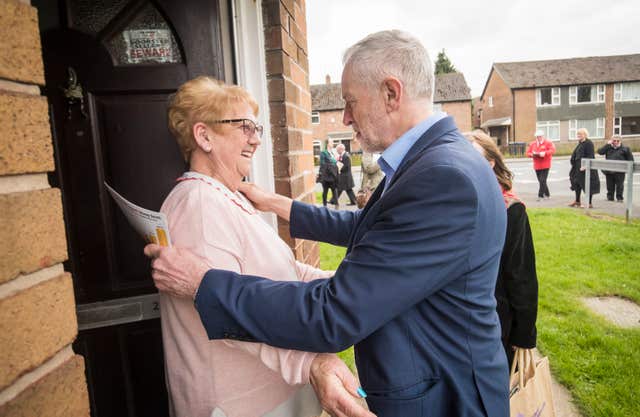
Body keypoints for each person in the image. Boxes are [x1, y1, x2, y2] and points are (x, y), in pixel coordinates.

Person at [146, 30, 509, 417]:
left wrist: (202, 283)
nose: (346, 116)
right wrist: (284, 208)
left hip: (446, 398)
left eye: (350, 101)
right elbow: (367, 231)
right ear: (203, 136)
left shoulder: (438, 175)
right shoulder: (434, 162)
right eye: (243, 127)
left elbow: (335, 312)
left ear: (391, 93)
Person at [158, 76, 365, 417]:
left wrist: (341, 285)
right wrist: (308, 362)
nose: (255, 140)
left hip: (272, 398)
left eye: (257, 128)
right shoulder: (199, 205)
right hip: (238, 404)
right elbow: (225, 316)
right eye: (244, 127)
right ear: (203, 136)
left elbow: (281, 271)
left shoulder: (229, 197)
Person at [464, 130, 539, 366]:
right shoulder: (453, 204)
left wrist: (524, 335)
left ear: (490, 162)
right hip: (458, 323)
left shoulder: (510, 209)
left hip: (496, 323)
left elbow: (521, 275)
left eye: (473, 158)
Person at [569, 128, 600, 208]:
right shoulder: (580, 143)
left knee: (588, 185)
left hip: (585, 169)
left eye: (580, 134)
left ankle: (589, 203)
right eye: (578, 134)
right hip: (577, 169)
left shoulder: (588, 143)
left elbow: (590, 156)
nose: (579, 135)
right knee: (577, 184)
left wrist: (585, 166)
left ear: (585, 135)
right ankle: (577, 201)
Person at [597, 136, 634, 202]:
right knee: (609, 186)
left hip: (620, 171)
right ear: (612, 141)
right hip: (609, 170)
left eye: (617, 141)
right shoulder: (608, 148)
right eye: (614, 141)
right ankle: (610, 198)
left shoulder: (625, 149)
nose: (616, 142)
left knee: (619, 186)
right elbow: (600, 152)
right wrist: (607, 144)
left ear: (620, 141)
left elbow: (631, 160)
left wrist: (627, 169)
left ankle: (619, 198)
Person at [526, 130, 556, 201]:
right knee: (541, 181)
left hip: (545, 164)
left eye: (540, 136)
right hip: (537, 165)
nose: (538, 138)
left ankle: (540, 196)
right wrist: (532, 154)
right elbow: (528, 153)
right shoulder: (533, 144)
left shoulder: (548, 143)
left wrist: (545, 153)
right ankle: (547, 194)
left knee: (542, 180)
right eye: (537, 136)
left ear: (543, 136)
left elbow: (552, 150)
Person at [318, 138, 339, 207]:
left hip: (333, 175)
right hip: (326, 176)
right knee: (325, 191)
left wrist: (336, 163)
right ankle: (324, 206)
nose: (333, 143)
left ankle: (336, 205)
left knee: (334, 191)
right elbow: (322, 164)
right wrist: (333, 162)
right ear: (328, 144)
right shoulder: (323, 153)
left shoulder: (332, 153)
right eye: (331, 142)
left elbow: (334, 162)